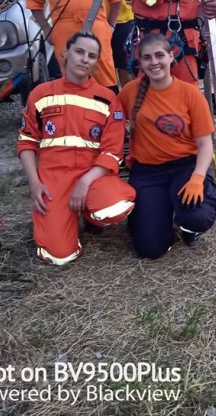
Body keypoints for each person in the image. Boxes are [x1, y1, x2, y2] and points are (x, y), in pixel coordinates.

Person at [17, 31, 136, 265]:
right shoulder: (40, 94)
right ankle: (62, 220)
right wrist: (35, 183)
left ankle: (91, 215)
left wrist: (85, 182)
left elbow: (112, 151)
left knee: (116, 206)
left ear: (96, 62)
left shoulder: (108, 99)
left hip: (92, 176)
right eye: (79, 52)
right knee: (58, 256)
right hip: (53, 180)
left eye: (92, 56)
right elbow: (27, 142)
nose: (84, 59)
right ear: (65, 53)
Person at [118, 33, 216, 259]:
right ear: (140, 61)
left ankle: (188, 227)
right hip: (147, 172)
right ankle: (157, 213)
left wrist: (197, 178)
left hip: (184, 167)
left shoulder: (190, 93)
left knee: (197, 216)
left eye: (159, 55)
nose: (154, 62)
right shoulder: (129, 92)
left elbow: (205, 144)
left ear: (170, 56)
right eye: (147, 58)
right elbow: (110, 124)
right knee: (150, 249)